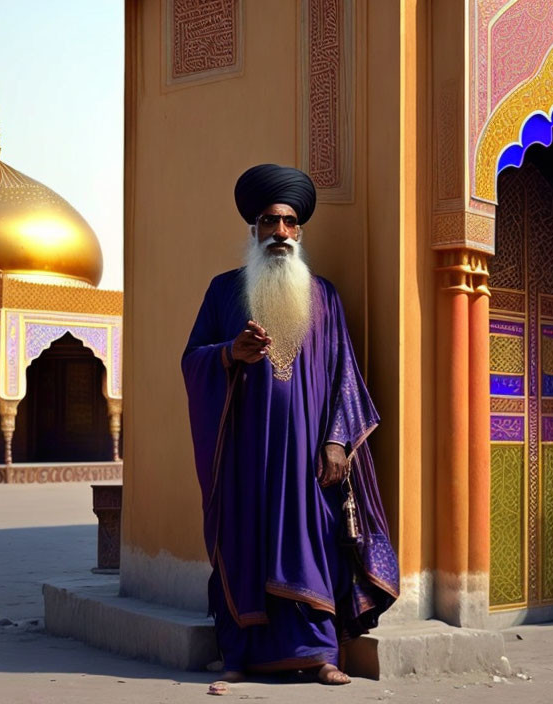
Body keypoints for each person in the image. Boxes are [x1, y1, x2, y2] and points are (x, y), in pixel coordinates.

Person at [182, 164, 399, 686]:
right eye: (269, 222)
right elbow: (192, 360)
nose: (280, 232)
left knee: (313, 543)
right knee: (244, 545)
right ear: (253, 229)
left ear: (299, 231)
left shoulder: (323, 296)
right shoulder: (223, 292)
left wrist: (336, 441)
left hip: (307, 456)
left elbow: (346, 373)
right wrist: (229, 354)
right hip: (244, 456)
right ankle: (237, 659)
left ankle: (323, 654)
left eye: (289, 223)